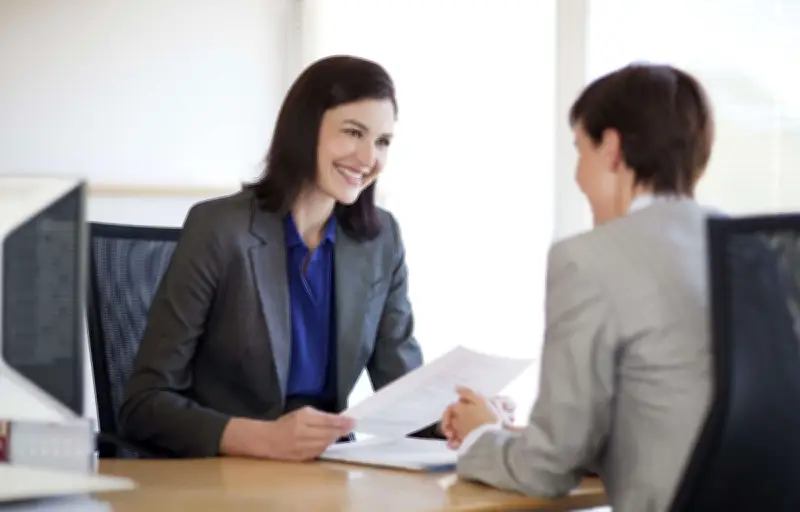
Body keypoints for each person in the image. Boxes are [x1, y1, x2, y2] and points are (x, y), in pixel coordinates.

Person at [119, 55, 437, 461]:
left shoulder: (380, 240)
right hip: (226, 474)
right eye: (353, 132)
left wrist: (457, 420)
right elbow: (143, 405)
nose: (367, 158)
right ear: (306, 131)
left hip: (327, 472)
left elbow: (403, 391)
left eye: (382, 141)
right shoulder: (219, 229)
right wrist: (264, 439)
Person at [441, 63, 716, 512]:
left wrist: (478, 437)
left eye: (579, 150)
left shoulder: (589, 258)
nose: (578, 176)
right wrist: (519, 438)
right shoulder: (749, 248)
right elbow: (675, 416)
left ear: (611, 148)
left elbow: (545, 471)